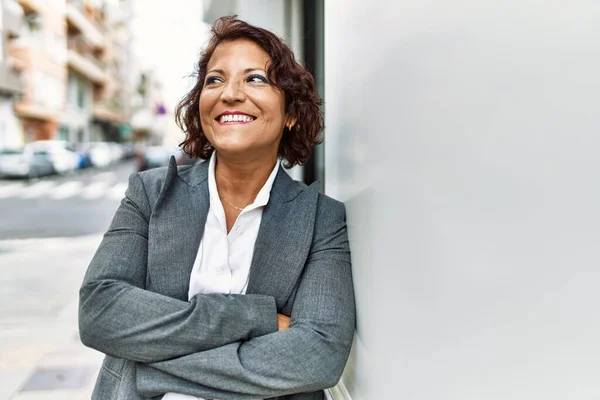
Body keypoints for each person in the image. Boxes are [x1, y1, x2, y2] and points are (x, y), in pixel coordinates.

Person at [79, 16, 355, 400]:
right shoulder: (150, 193)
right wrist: (254, 319)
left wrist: (147, 366)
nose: (230, 93)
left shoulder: (321, 219)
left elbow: (318, 355)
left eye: (255, 78)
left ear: (291, 113)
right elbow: (99, 311)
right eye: (215, 79)